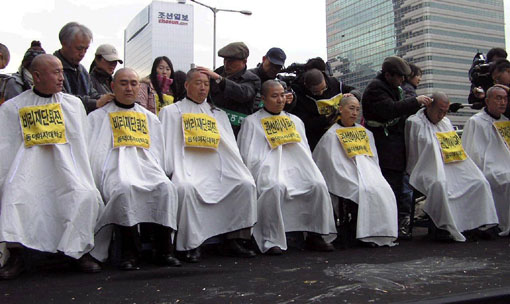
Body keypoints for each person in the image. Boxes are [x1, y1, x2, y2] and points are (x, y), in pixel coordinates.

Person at [0, 54, 104, 279]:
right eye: (55, 72)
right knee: (13, 193)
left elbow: (81, 142)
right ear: (37, 76)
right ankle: (17, 256)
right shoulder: (13, 108)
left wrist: (84, 175)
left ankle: (77, 251)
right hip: (27, 172)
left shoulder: (73, 105)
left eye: (61, 71)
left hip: (67, 169)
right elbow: (6, 148)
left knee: (84, 194)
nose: (61, 77)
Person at [159, 68, 257, 262]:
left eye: (206, 84)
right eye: (198, 83)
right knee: (186, 188)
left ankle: (234, 239)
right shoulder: (171, 112)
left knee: (245, 183)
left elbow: (229, 147)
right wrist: (169, 170)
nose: (203, 88)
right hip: (187, 167)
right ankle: (191, 244)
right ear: (187, 85)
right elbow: (166, 145)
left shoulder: (217, 114)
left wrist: (237, 168)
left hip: (217, 168)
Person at [87, 68, 180, 270]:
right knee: (124, 188)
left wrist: (155, 170)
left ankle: (163, 249)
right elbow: (95, 151)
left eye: (133, 83)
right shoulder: (97, 117)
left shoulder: (149, 118)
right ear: (113, 86)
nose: (129, 88)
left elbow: (158, 151)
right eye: (123, 83)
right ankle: (130, 252)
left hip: (145, 167)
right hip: (113, 169)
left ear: (139, 87)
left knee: (165, 187)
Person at [237, 80, 336, 255]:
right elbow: (248, 153)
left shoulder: (295, 121)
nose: (280, 100)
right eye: (274, 96)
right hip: (268, 167)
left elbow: (304, 150)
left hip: (298, 167)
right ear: (263, 98)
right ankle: (271, 239)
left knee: (317, 184)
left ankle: (316, 234)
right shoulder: (252, 122)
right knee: (275, 187)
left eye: (282, 95)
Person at [405, 92, 499, 241]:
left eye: (445, 111)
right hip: (426, 168)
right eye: (439, 111)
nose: (442, 115)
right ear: (429, 106)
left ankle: (475, 224)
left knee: (479, 182)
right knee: (440, 185)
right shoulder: (415, 122)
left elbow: (455, 149)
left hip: (452, 165)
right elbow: (413, 153)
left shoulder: (446, 123)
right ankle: (444, 227)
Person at [362, 56, 432, 240]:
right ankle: (389, 225)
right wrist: (415, 102)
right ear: (388, 75)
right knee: (390, 187)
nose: (403, 81)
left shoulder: (393, 87)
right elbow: (390, 110)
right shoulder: (375, 88)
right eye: (400, 77)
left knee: (399, 187)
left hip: (394, 144)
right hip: (384, 145)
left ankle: (398, 224)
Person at [313, 95, 398, 247]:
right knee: (361, 190)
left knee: (382, 189)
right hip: (343, 174)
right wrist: (348, 173)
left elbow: (372, 159)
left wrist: (371, 175)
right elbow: (329, 162)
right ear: (340, 109)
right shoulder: (332, 135)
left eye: (357, 109)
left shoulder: (365, 133)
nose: (354, 113)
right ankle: (358, 232)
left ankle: (374, 233)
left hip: (367, 172)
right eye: (351, 108)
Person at [462, 86, 510, 236]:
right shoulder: (475, 121)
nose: (502, 102)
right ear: (487, 101)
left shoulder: (506, 121)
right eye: (498, 98)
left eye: (505, 99)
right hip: (487, 167)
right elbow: (471, 150)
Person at [197, 42, 260, 135]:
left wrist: (220, 80)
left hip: (237, 132)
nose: (227, 64)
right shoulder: (216, 74)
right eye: (225, 61)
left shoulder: (252, 79)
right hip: (214, 129)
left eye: (231, 61)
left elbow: (242, 94)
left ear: (244, 61)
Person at [291, 67, 360, 151]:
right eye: (316, 92)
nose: (321, 92)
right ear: (307, 86)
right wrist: (327, 118)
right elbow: (306, 123)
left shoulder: (334, 83)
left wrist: (353, 95)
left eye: (324, 88)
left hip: (343, 132)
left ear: (325, 80)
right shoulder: (300, 96)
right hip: (319, 139)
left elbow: (354, 90)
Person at [53, 22, 112, 113]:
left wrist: (107, 98)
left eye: (86, 49)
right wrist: (95, 103)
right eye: (79, 49)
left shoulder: (82, 70)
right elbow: (63, 99)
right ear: (64, 44)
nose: (82, 53)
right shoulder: (52, 68)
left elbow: (91, 93)